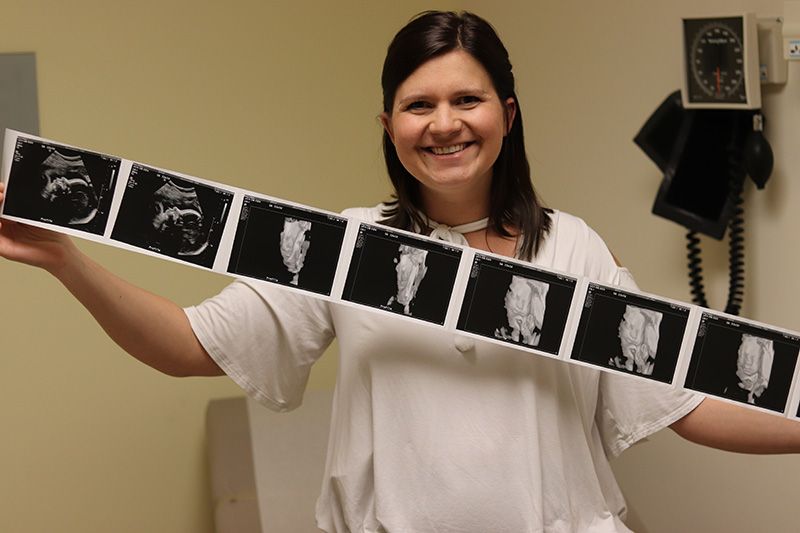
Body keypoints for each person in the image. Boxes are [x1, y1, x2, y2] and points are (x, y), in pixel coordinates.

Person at [1, 10, 799, 533]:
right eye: (419, 105)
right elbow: (187, 342)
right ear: (389, 124)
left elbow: (688, 401)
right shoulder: (341, 246)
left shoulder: (574, 248)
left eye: (468, 100)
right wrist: (66, 259)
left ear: (507, 114)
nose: (444, 123)